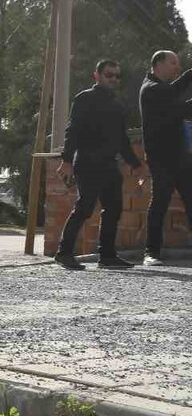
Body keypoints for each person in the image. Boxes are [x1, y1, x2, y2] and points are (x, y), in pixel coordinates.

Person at [54, 59, 143, 270]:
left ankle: (107, 256)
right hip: (87, 161)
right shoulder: (84, 99)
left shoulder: (116, 104)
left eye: (116, 76)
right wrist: (66, 161)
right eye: (108, 75)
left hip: (109, 164)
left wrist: (136, 164)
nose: (112, 79)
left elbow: (122, 139)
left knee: (114, 208)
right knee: (84, 208)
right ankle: (64, 252)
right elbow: (72, 131)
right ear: (97, 75)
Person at [139, 50, 192, 267]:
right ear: (158, 64)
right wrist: (190, 74)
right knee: (160, 203)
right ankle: (151, 253)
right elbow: (178, 104)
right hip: (161, 159)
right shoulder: (150, 89)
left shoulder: (164, 90)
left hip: (180, 156)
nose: (176, 67)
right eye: (173, 63)